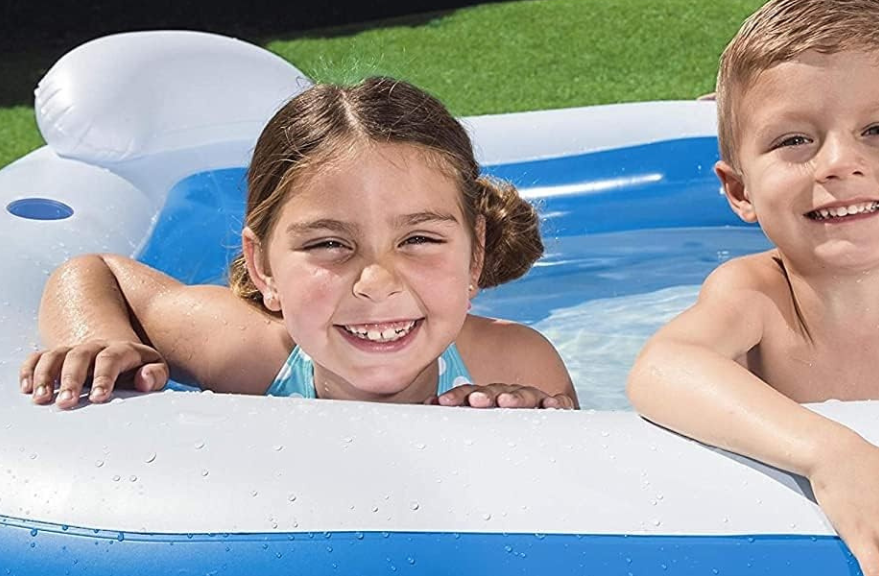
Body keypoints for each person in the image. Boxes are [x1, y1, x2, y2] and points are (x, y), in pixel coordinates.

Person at [628, 0, 879, 576]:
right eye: (794, 141)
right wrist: (834, 456)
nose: (839, 163)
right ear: (738, 189)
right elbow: (662, 367)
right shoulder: (756, 296)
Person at [21, 76, 577, 411]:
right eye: (331, 244)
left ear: (474, 253)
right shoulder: (247, 354)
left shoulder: (515, 363)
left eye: (418, 238)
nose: (377, 282)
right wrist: (96, 338)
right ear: (263, 267)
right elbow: (97, 271)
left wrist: (535, 430)